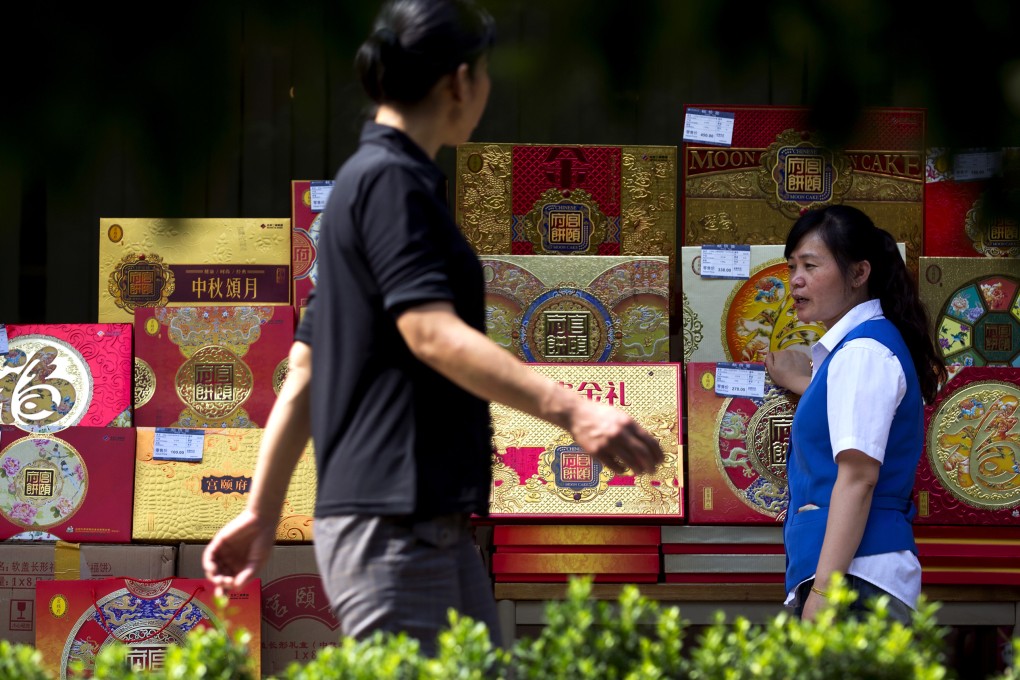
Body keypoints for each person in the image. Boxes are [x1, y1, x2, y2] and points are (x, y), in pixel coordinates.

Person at [202, 0, 664, 655]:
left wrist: (262, 511)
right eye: (484, 74)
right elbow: (429, 332)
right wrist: (572, 410)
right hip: (396, 525)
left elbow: (305, 371)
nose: (488, 90)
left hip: (415, 523)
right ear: (457, 81)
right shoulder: (393, 183)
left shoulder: (369, 185)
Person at [765, 205, 945, 623]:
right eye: (792, 265)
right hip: (857, 574)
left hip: (856, 578)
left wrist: (826, 592)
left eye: (811, 265)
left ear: (859, 273)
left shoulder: (863, 352)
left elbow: (859, 477)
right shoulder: (860, 349)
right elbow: (848, 415)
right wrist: (804, 385)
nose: (796, 279)